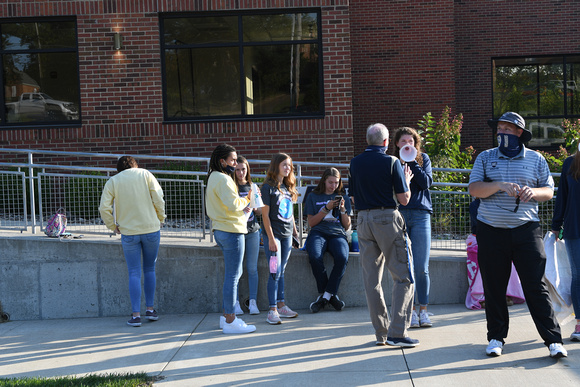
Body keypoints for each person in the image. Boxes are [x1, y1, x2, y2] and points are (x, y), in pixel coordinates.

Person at [468, 111, 566, 358]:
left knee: (535, 286)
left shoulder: (536, 159)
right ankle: (496, 338)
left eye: (507, 129)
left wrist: (533, 192)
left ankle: (553, 340)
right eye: (499, 128)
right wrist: (499, 185)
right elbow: (474, 189)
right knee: (494, 287)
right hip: (491, 231)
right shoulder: (485, 157)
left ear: (519, 133)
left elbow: (548, 191)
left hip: (526, 230)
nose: (501, 132)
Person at [349, 123, 419, 348]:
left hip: (362, 220)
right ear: (387, 142)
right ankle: (397, 333)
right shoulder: (392, 162)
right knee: (403, 276)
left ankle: (381, 333)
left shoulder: (355, 163)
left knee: (372, 281)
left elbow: (352, 197)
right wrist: (406, 182)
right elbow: (404, 199)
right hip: (387, 219)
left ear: (368, 141)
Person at [99, 156, 166, 327]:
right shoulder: (145, 174)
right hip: (151, 229)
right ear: (135, 165)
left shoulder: (114, 181)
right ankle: (150, 309)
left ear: (118, 168)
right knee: (150, 268)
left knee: (134, 272)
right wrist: (161, 217)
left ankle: (136, 315)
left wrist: (112, 225)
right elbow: (158, 197)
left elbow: (104, 207)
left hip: (128, 233)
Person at [206, 144, 256, 334]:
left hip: (222, 229)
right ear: (222, 161)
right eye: (233, 160)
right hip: (231, 231)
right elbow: (233, 203)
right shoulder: (224, 179)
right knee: (233, 276)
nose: (236, 163)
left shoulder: (213, 176)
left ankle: (227, 317)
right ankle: (230, 319)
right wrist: (249, 198)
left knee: (233, 275)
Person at [393, 127, 433, 328]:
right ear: (397, 144)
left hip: (420, 215)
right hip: (399, 214)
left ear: (415, 143)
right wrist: (401, 164)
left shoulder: (423, 159)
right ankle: (409, 311)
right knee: (403, 266)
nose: (407, 144)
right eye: (403, 141)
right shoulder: (392, 162)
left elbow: (426, 183)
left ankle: (423, 309)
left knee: (421, 267)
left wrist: (412, 162)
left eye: (410, 140)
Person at [304, 167, 352, 313]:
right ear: (324, 180)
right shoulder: (313, 196)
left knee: (342, 256)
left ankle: (325, 296)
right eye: (330, 182)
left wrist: (342, 210)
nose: (333, 186)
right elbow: (311, 223)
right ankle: (331, 296)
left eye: (336, 183)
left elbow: (347, 225)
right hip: (318, 232)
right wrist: (326, 208)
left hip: (337, 233)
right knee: (314, 255)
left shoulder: (344, 198)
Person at [261, 153, 300, 325]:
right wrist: (270, 239)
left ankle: (281, 305)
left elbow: (290, 214)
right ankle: (272, 310)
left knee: (281, 271)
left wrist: (296, 233)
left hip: (286, 236)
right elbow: (265, 216)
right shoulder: (267, 187)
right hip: (274, 236)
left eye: (290, 165)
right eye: (284, 164)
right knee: (274, 272)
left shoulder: (286, 187)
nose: (288, 168)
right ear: (276, 165)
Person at [551, 147, 580, 341]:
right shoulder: (570, 163)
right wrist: (556, 225)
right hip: (574, 229)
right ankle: (579, 324)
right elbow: (562, 196)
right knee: (578, 276)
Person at [234, 156, 262, 315]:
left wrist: (254, 199)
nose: (240, 173)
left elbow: (258, 211)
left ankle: (253, 302)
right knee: (236, 270)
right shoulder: (230, 186)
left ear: (247, 169)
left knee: (252, 268)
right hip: (236, 232)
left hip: (252, 231)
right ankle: (235, 303)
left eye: (243, 169)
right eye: (237, 169)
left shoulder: (252, 185)